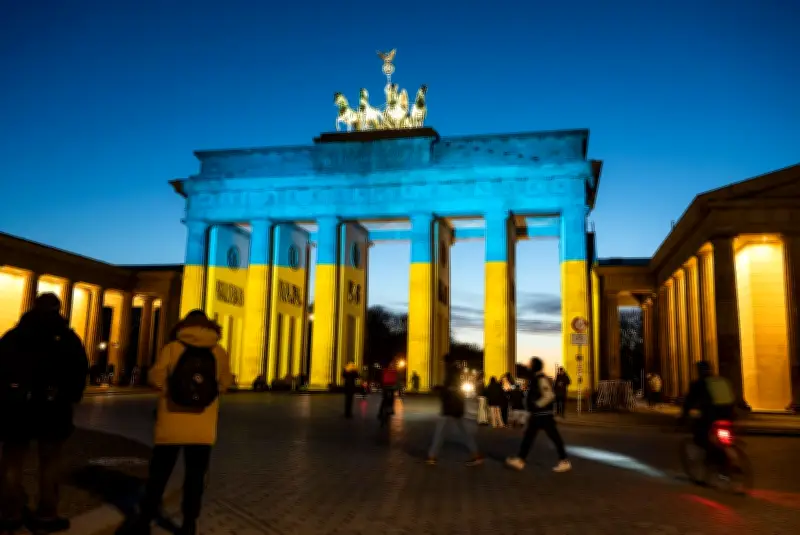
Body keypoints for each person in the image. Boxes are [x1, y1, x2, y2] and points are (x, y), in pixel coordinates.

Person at [120, 310, 232, 535]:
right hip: (202, 426)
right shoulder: (218, 352)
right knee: (195, 476)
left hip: (171, 423)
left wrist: (171, 391)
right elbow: (225, 383)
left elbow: (155, 377)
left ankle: (144, 521)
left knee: (159, 475)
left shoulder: (172, 348)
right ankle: (189, 524)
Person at [0, 293, 89, 533]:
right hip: (53, 409)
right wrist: (70, 397)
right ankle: (47, 514)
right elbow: (79, 371)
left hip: (17, 408)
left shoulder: (14, 336)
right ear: (58, 309)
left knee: (12, 462)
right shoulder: (67, 339)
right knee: (50, 463)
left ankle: (9, 512)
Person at [506, 358, 571, 473]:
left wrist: (536, 405)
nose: (528, 366)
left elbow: (549, 395)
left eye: (530, 364)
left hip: (543, 415)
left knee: (551, 437)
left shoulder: (540, 379)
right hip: (539, 415)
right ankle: (521, 460)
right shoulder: (536, 378)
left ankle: (564, 461)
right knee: (530, 437)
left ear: (535, 366)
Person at [426, 354, 483, 466]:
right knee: (465, 433)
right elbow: (454, 388)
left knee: (440, 432)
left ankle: (432, 456)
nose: (442, 364)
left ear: (447, 362)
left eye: (443, 362)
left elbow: (451, 389)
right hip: (457, 407)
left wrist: (439, 388)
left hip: (450, 407)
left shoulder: (451, 372)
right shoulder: (456, 371)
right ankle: (476, 455)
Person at [679, 361, 735, 467]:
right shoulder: (721, 380)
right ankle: (728, 457)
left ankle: (714, 458)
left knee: (700, 435)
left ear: (699, 371)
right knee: (725, 438)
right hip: (729, 413)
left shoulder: (698, 383)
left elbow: (689, 402)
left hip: (712, 414)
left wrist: (683, 416)